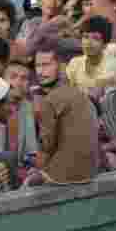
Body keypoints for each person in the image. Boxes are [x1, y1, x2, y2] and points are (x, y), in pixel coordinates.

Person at [29, 42, 98, 185]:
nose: (41, 72)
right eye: (38, 66)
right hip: (91, 172)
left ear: (61, 67)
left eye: (47, 65)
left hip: (63, 177)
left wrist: (36, 170)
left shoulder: (50, 100)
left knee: (27, 183)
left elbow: (46, 146)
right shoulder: (78, 92)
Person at [66, 15, 116, 96]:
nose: (88, 43)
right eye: (85, 37)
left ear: (105, 45)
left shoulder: (113, 65)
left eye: (95, 38)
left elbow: (97, 93)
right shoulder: (74, 63)